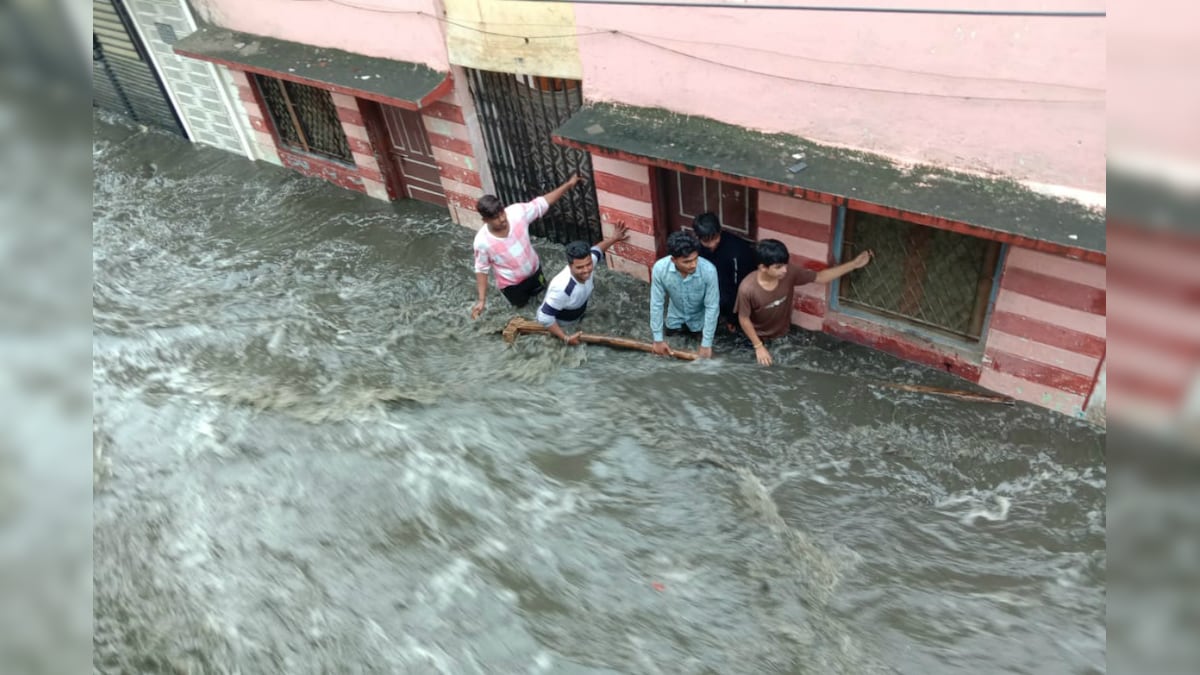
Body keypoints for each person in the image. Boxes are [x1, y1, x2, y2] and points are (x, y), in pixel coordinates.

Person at [735, 239, 873, 366]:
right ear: (763, 268)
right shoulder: (747, 289)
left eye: (785, 265)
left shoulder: (789, 273)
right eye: (778, 267)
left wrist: (854, 264)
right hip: (756, 339)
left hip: (783, 335)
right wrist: (758, 346)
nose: (785, 270)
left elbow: (820, 277)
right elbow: (743, 318)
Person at [470, 174, 584, 319]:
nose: (502, 219)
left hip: (535, 273)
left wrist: (568, 185)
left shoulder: (517, 213)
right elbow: (481, 269)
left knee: (546, 297)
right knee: (523, 313)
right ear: (485, 220)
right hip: (512, 287)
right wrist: (482, 300)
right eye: (496, 218)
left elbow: (543, 202)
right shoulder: (482, 242)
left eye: (502, 213)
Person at [536, 223, 630, 345]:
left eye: (589, 264)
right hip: (563, 325)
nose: (586, 270)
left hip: (577, 314)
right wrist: (565, 338)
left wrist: (614, 238)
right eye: (580, 267)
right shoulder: (563, 288)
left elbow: (598, 250)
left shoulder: (589, 261)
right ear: (570, 266)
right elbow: (545, 317)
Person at [650, 230, 720, 359]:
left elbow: (712, 306)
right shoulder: (660, 269)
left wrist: (706, 344)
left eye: (695, 259)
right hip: (674, 318)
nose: (693, 265)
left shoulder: (709, 270)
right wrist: (658, 339)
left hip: (700, 321)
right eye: (687, 262)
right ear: (673, 260)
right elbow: (656, 304)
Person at [693, 211, 756, 329]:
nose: (712, 244)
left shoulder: (737, 251)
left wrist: (732, 318)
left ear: (720, 231)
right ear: (698, 237)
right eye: (707, 241)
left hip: (731, 291)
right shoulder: (696, 249)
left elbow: (739, 288)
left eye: (715, 238)